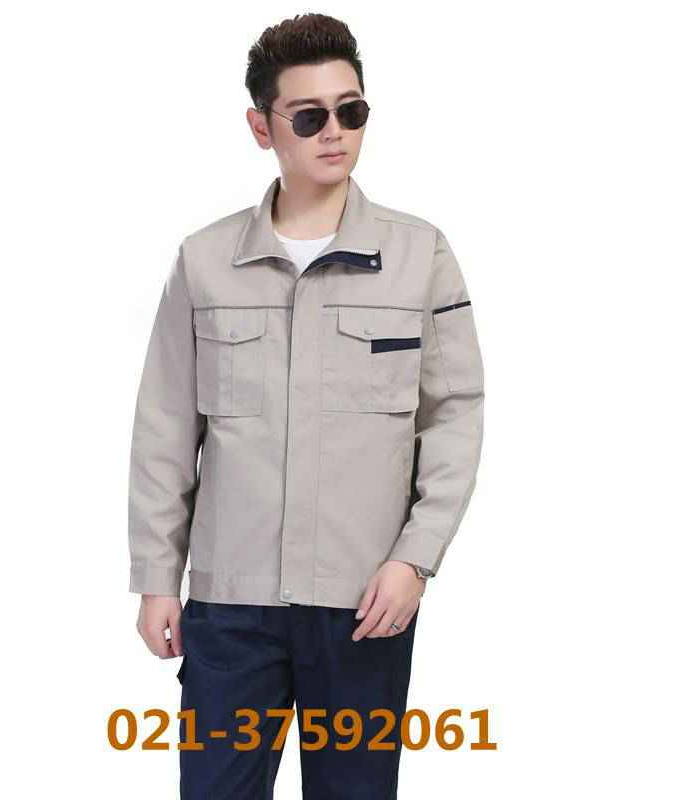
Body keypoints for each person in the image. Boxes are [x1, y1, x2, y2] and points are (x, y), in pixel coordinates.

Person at [128, 12, 485, 799]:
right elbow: (164, 427)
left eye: (351, 111)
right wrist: (157, 577)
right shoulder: (205, 261)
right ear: (262, 127)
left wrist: (414, 559)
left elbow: (454, 417)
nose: (336, 133)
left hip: (364, 603)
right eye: (310, 116)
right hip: (231, 606)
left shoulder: (420, 256)